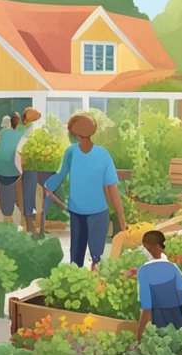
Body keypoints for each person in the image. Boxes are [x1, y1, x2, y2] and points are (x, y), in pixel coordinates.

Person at [44, 114, 126, 268]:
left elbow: (112, 188)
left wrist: (122, 219)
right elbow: (112, 189)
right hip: (82, 213)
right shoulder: (83, 153)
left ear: (75, 135)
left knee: (93, 258)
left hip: (96, 213)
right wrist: (47, 186)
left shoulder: (95, 154)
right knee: (79, 259)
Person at [136, 230, 182, 338]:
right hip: (179, 320)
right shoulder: (173, 267)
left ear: (155, 247)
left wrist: (139, 335)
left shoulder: (143, 271)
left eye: (145, 247)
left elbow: (146, 308)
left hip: (160, 322)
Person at [0, 115, 23, 227]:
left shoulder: (0, 134)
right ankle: (13, 218)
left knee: (4, 191)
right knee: (15, 191)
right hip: (15, 168)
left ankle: (7, 217)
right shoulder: (20, 134)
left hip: (0, 166)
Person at [16, 107, 43, 230]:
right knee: (31, 193)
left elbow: (19, 150)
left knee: (28, 193)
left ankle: (29, 220)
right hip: (30, 166)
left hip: (27, 166)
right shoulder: (31, 131)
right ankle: (30, 220)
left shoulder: (26, 130)